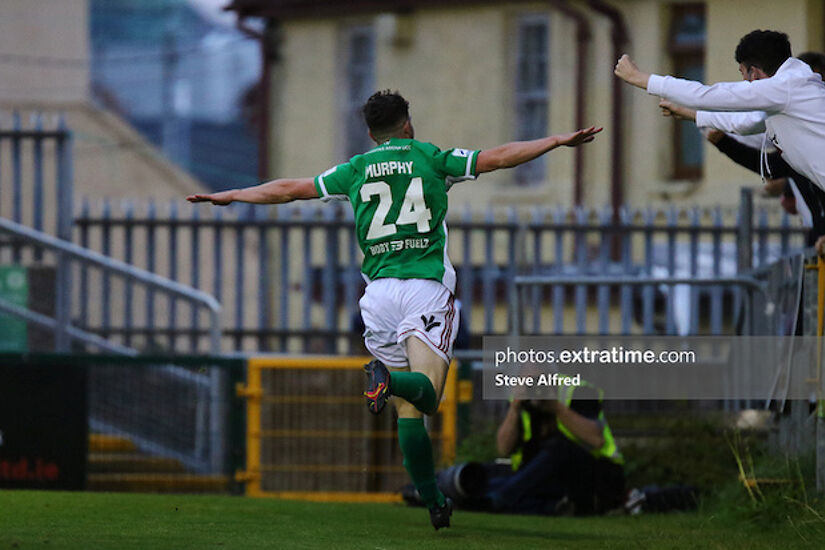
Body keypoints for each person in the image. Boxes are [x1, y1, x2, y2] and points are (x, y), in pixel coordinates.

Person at [187, 90, 602, 529]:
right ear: (407, 124)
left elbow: (290, 189)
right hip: (423, 289)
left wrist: (234, 194)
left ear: (370, 133)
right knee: (426, 392)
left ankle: (433, 500)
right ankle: (389, 381)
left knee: (408, 412)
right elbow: (497, 157)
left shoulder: (355, 170)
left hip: (378, 295)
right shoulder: (431, 157)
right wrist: (555, 141)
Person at [614, 30, 825, 198]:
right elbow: (747, 123)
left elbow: (708, 95)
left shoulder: (785, 86)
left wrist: (639, 78)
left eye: (743, 75)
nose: (745, 84)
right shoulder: (788, 91)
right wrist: (694, 115)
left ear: (755, 72)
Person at [487, 380, 625, 515]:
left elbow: (596, 439)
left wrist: (557, 408)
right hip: (549, 478)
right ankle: (553, 507)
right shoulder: (522, 396)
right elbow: (503, 449)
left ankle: (500, 498)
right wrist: (514, 409)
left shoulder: (576, 391)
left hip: (597, 473)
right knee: (487, 479)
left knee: (558, 448)